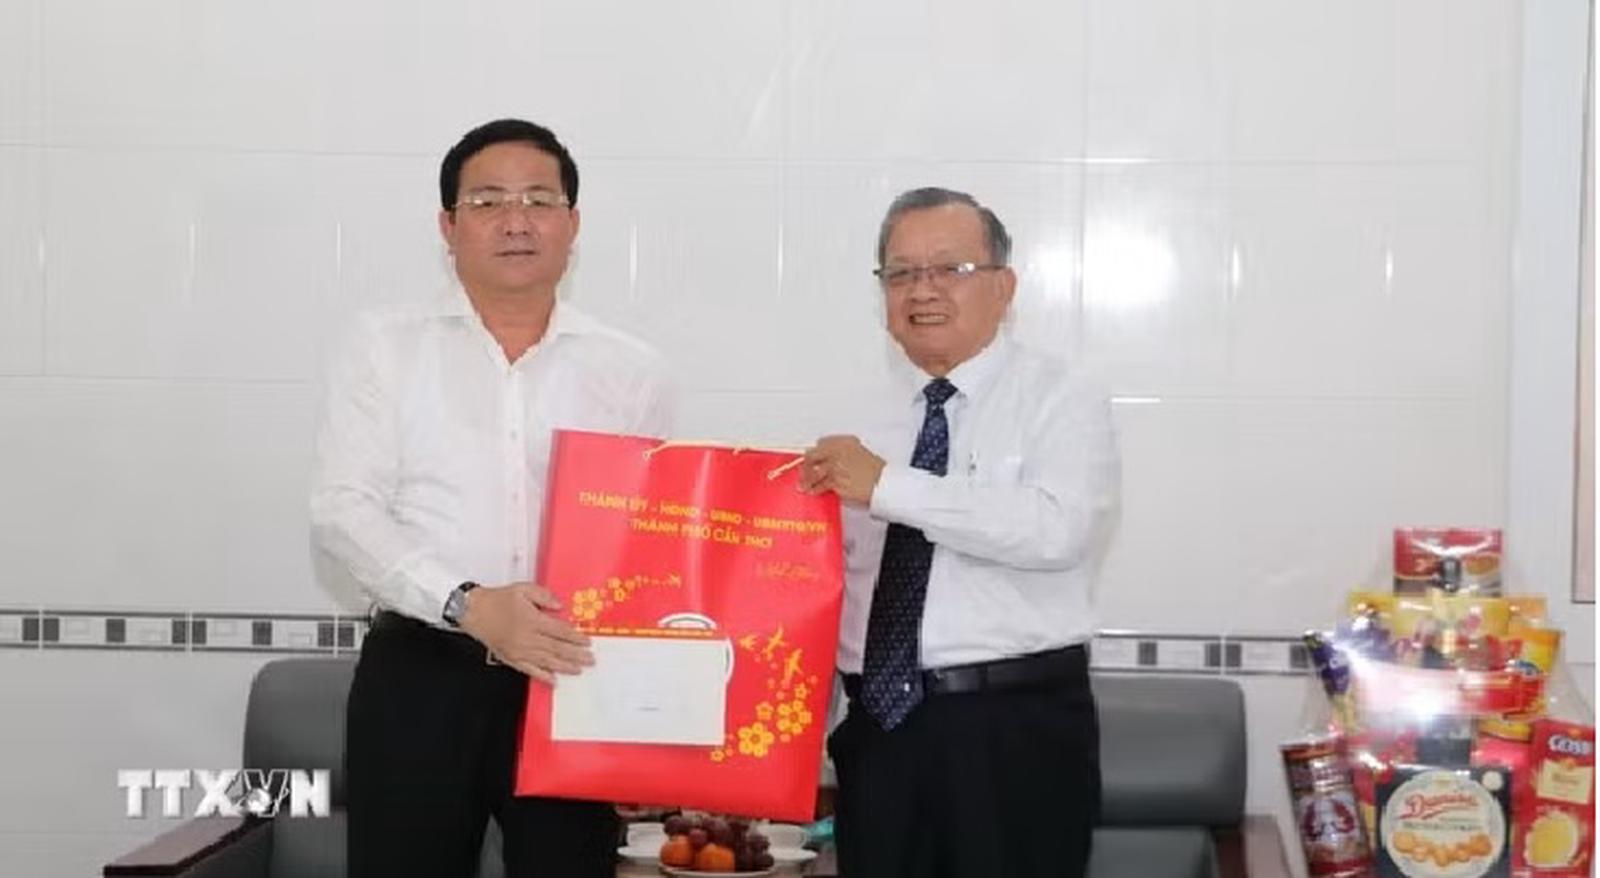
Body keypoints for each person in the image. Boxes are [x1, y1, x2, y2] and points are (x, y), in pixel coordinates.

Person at [311, 118, 672, 877]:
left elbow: (644, 544)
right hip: (422, 670)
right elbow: (343, 510)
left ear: (573, 225)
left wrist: (646, 718)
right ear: (449, 226)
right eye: (487, 202)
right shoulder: (384, 345)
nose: (516, 220)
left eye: (539, 200)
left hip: (569, 675)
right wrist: (469, 606)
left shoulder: (630, 370)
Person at [801, 187, 1119, 877]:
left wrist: (889, 485)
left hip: (1013, 729)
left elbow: (1056, 529)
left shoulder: (1062, 397)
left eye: (950, 269)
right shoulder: (854, 416)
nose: (923, 290)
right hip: (878, 732)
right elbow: (819, 584)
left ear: (1004, 287)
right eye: (901, 273)